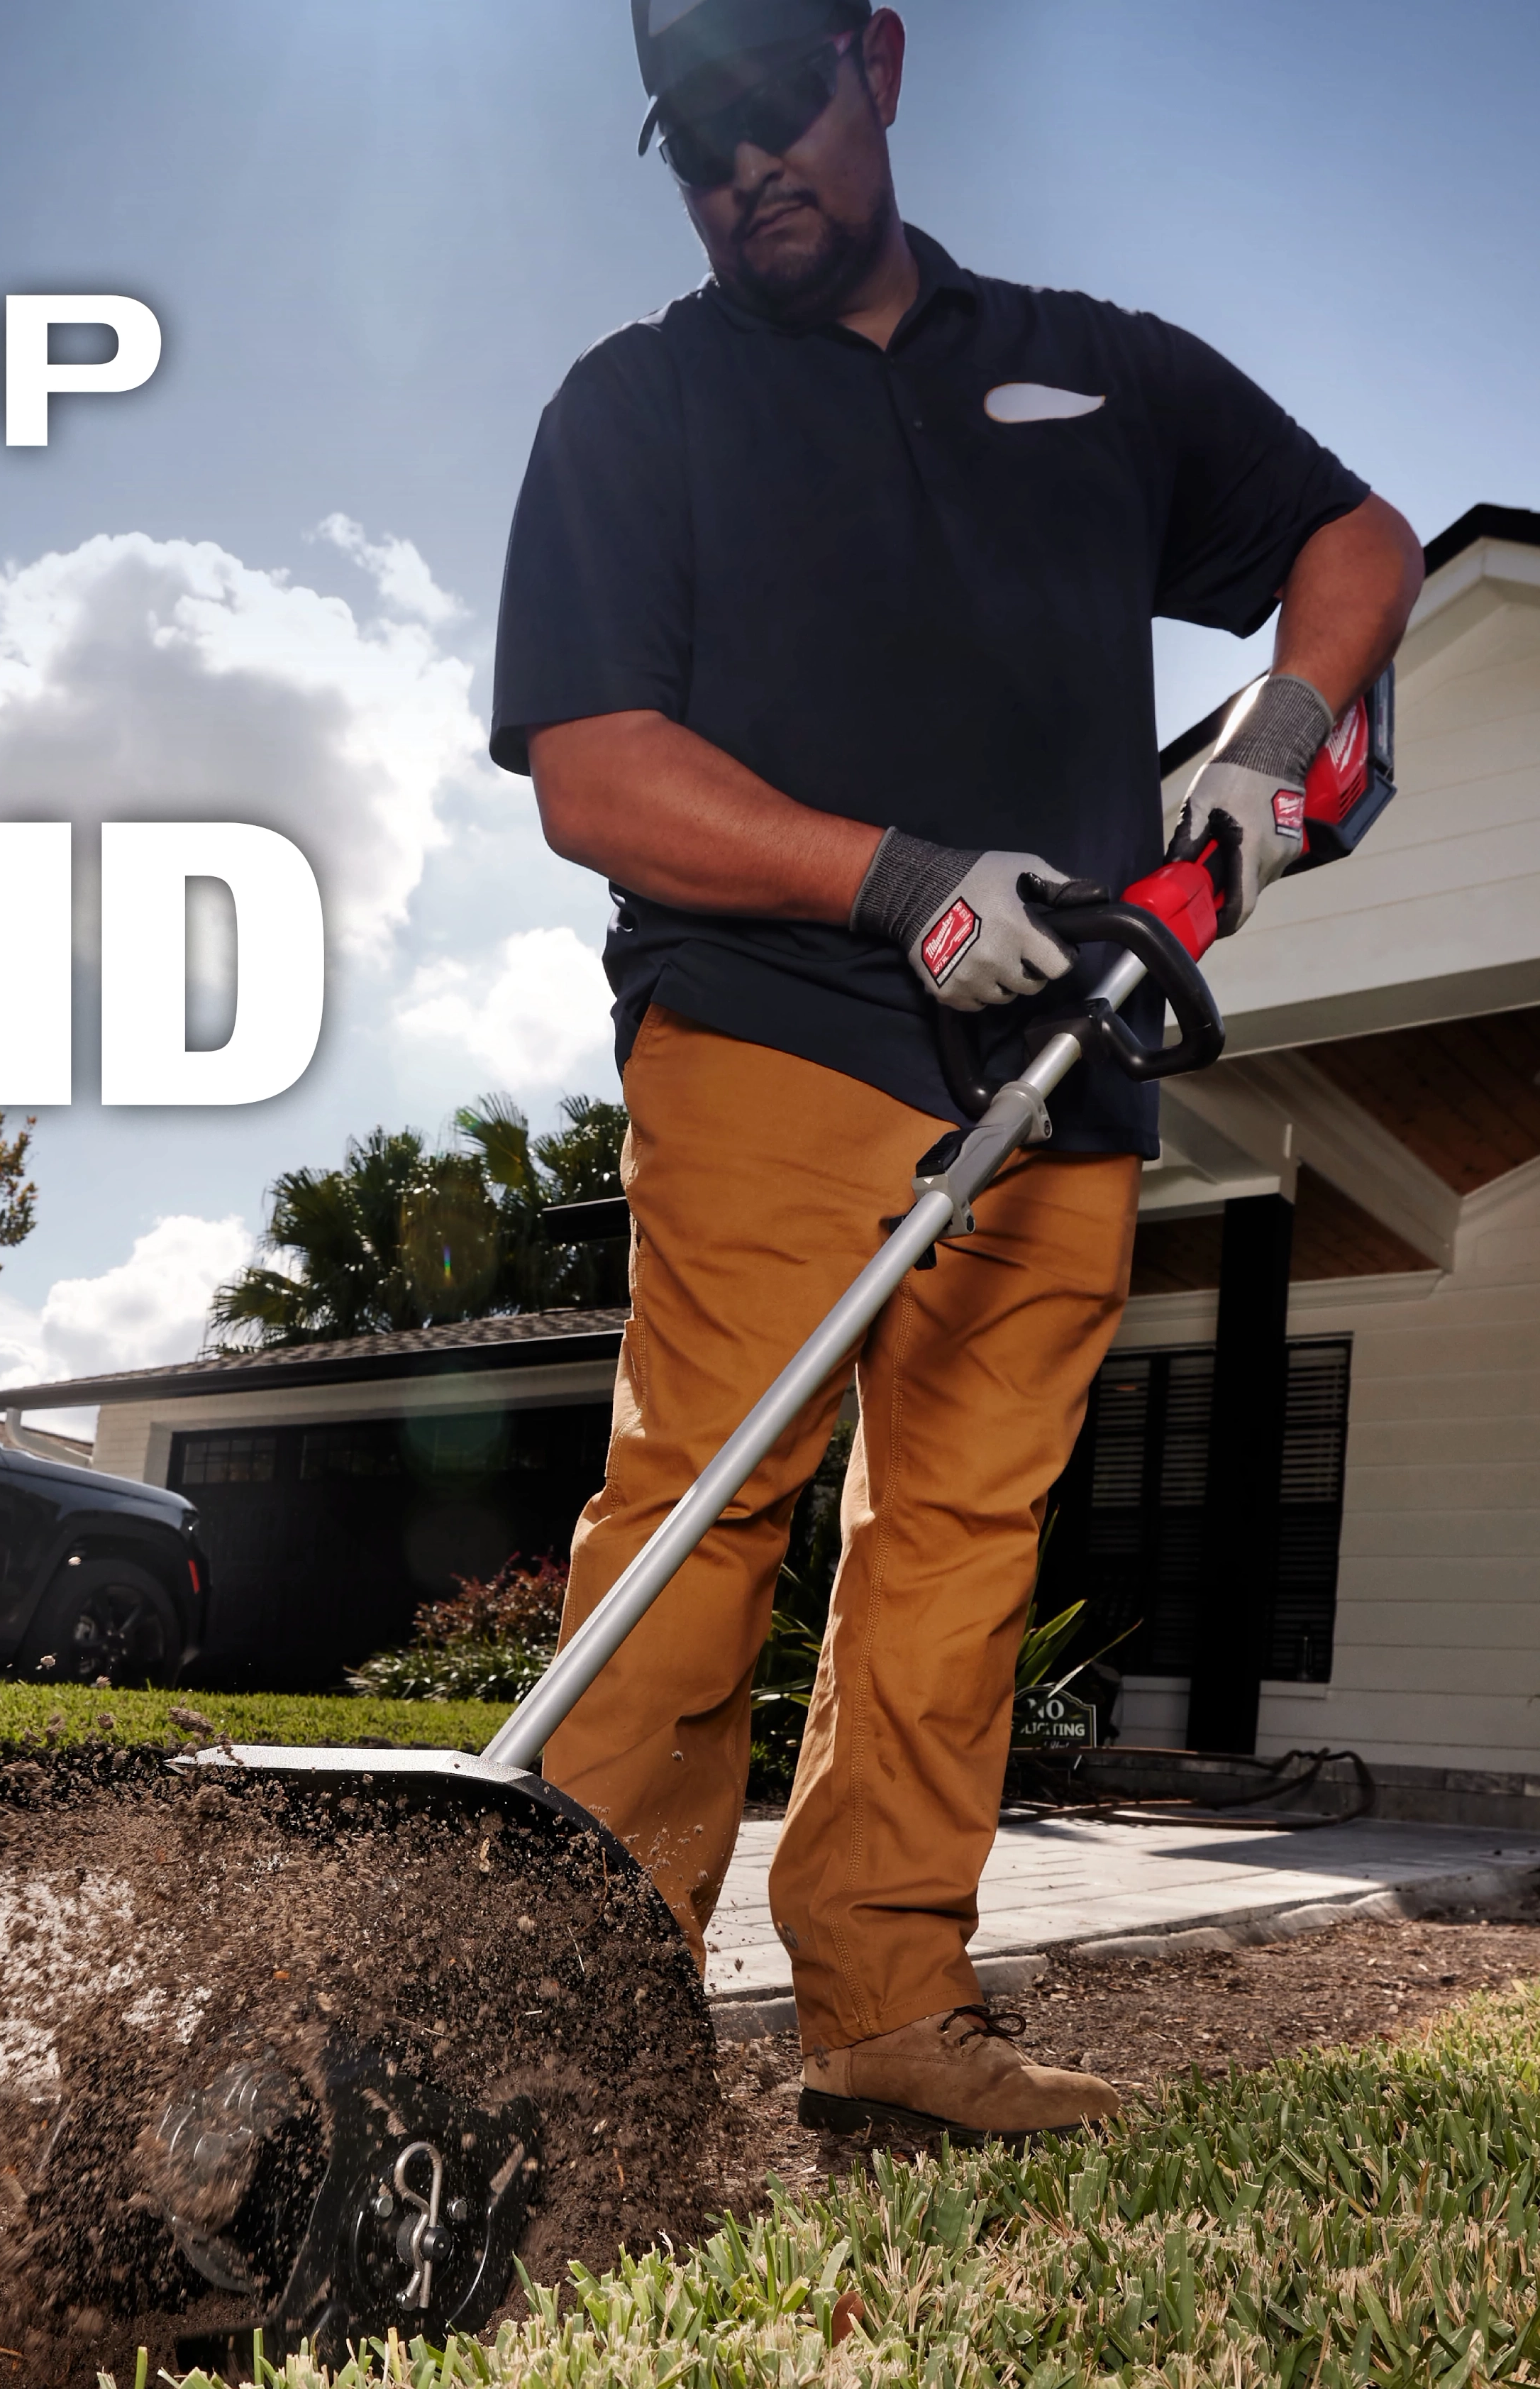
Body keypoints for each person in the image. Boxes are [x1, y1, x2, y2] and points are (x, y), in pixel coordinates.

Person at [491, 0, 1422, 2141]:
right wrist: (893, 875)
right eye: (699, 141)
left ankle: (892, 2019)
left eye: (778, 110)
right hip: (773, 1020)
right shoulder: (638, 408)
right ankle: (585, 2035)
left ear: (879, 64)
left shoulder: (1096, 364)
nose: (749, 171)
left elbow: (1353, 544)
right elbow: (593, 770)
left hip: (1074, 1050)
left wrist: (1277, 747)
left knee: (963, 1535)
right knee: (708, 1502)